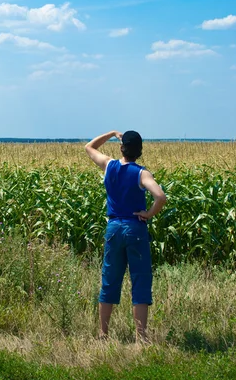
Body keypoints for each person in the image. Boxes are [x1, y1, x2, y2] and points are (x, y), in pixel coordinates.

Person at [85, 130, 166, 341]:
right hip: (135, 228)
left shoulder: (109, 166)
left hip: (113, 228)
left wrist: (112, 133)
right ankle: (141, 337)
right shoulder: (142, 173)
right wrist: (147, 214)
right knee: (140, 279)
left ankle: (103, 334)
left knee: (110, 280)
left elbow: (89, 147)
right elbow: (160, 197)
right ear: (139, 151)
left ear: (122, 148)